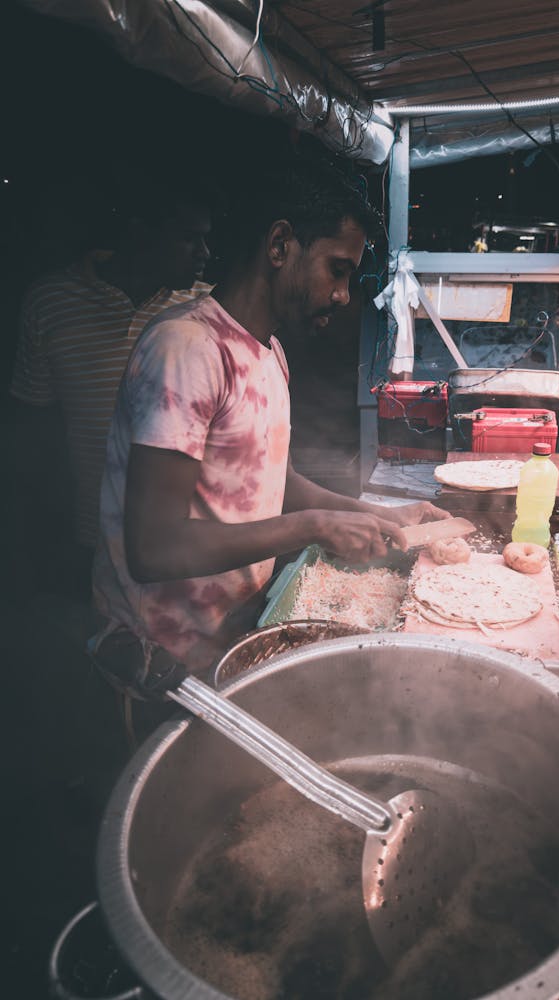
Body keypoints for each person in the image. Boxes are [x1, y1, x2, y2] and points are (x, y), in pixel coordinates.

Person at [90, 159, 447, 688]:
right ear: (280, 245)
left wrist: (376, 514)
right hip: (157, 657)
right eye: (338, 269)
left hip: (229, 633)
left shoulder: (270, 351)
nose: (344, 295)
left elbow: (266, 482)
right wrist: (314, 527)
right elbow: (153, 548)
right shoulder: (186, 348)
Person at [10, 172, 213, 596]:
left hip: (184, 541)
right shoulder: (50, 302)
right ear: (140, 231)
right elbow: (36, 428)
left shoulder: (206, 308)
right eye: (189, 238)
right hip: (87, 536)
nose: (205, 253)